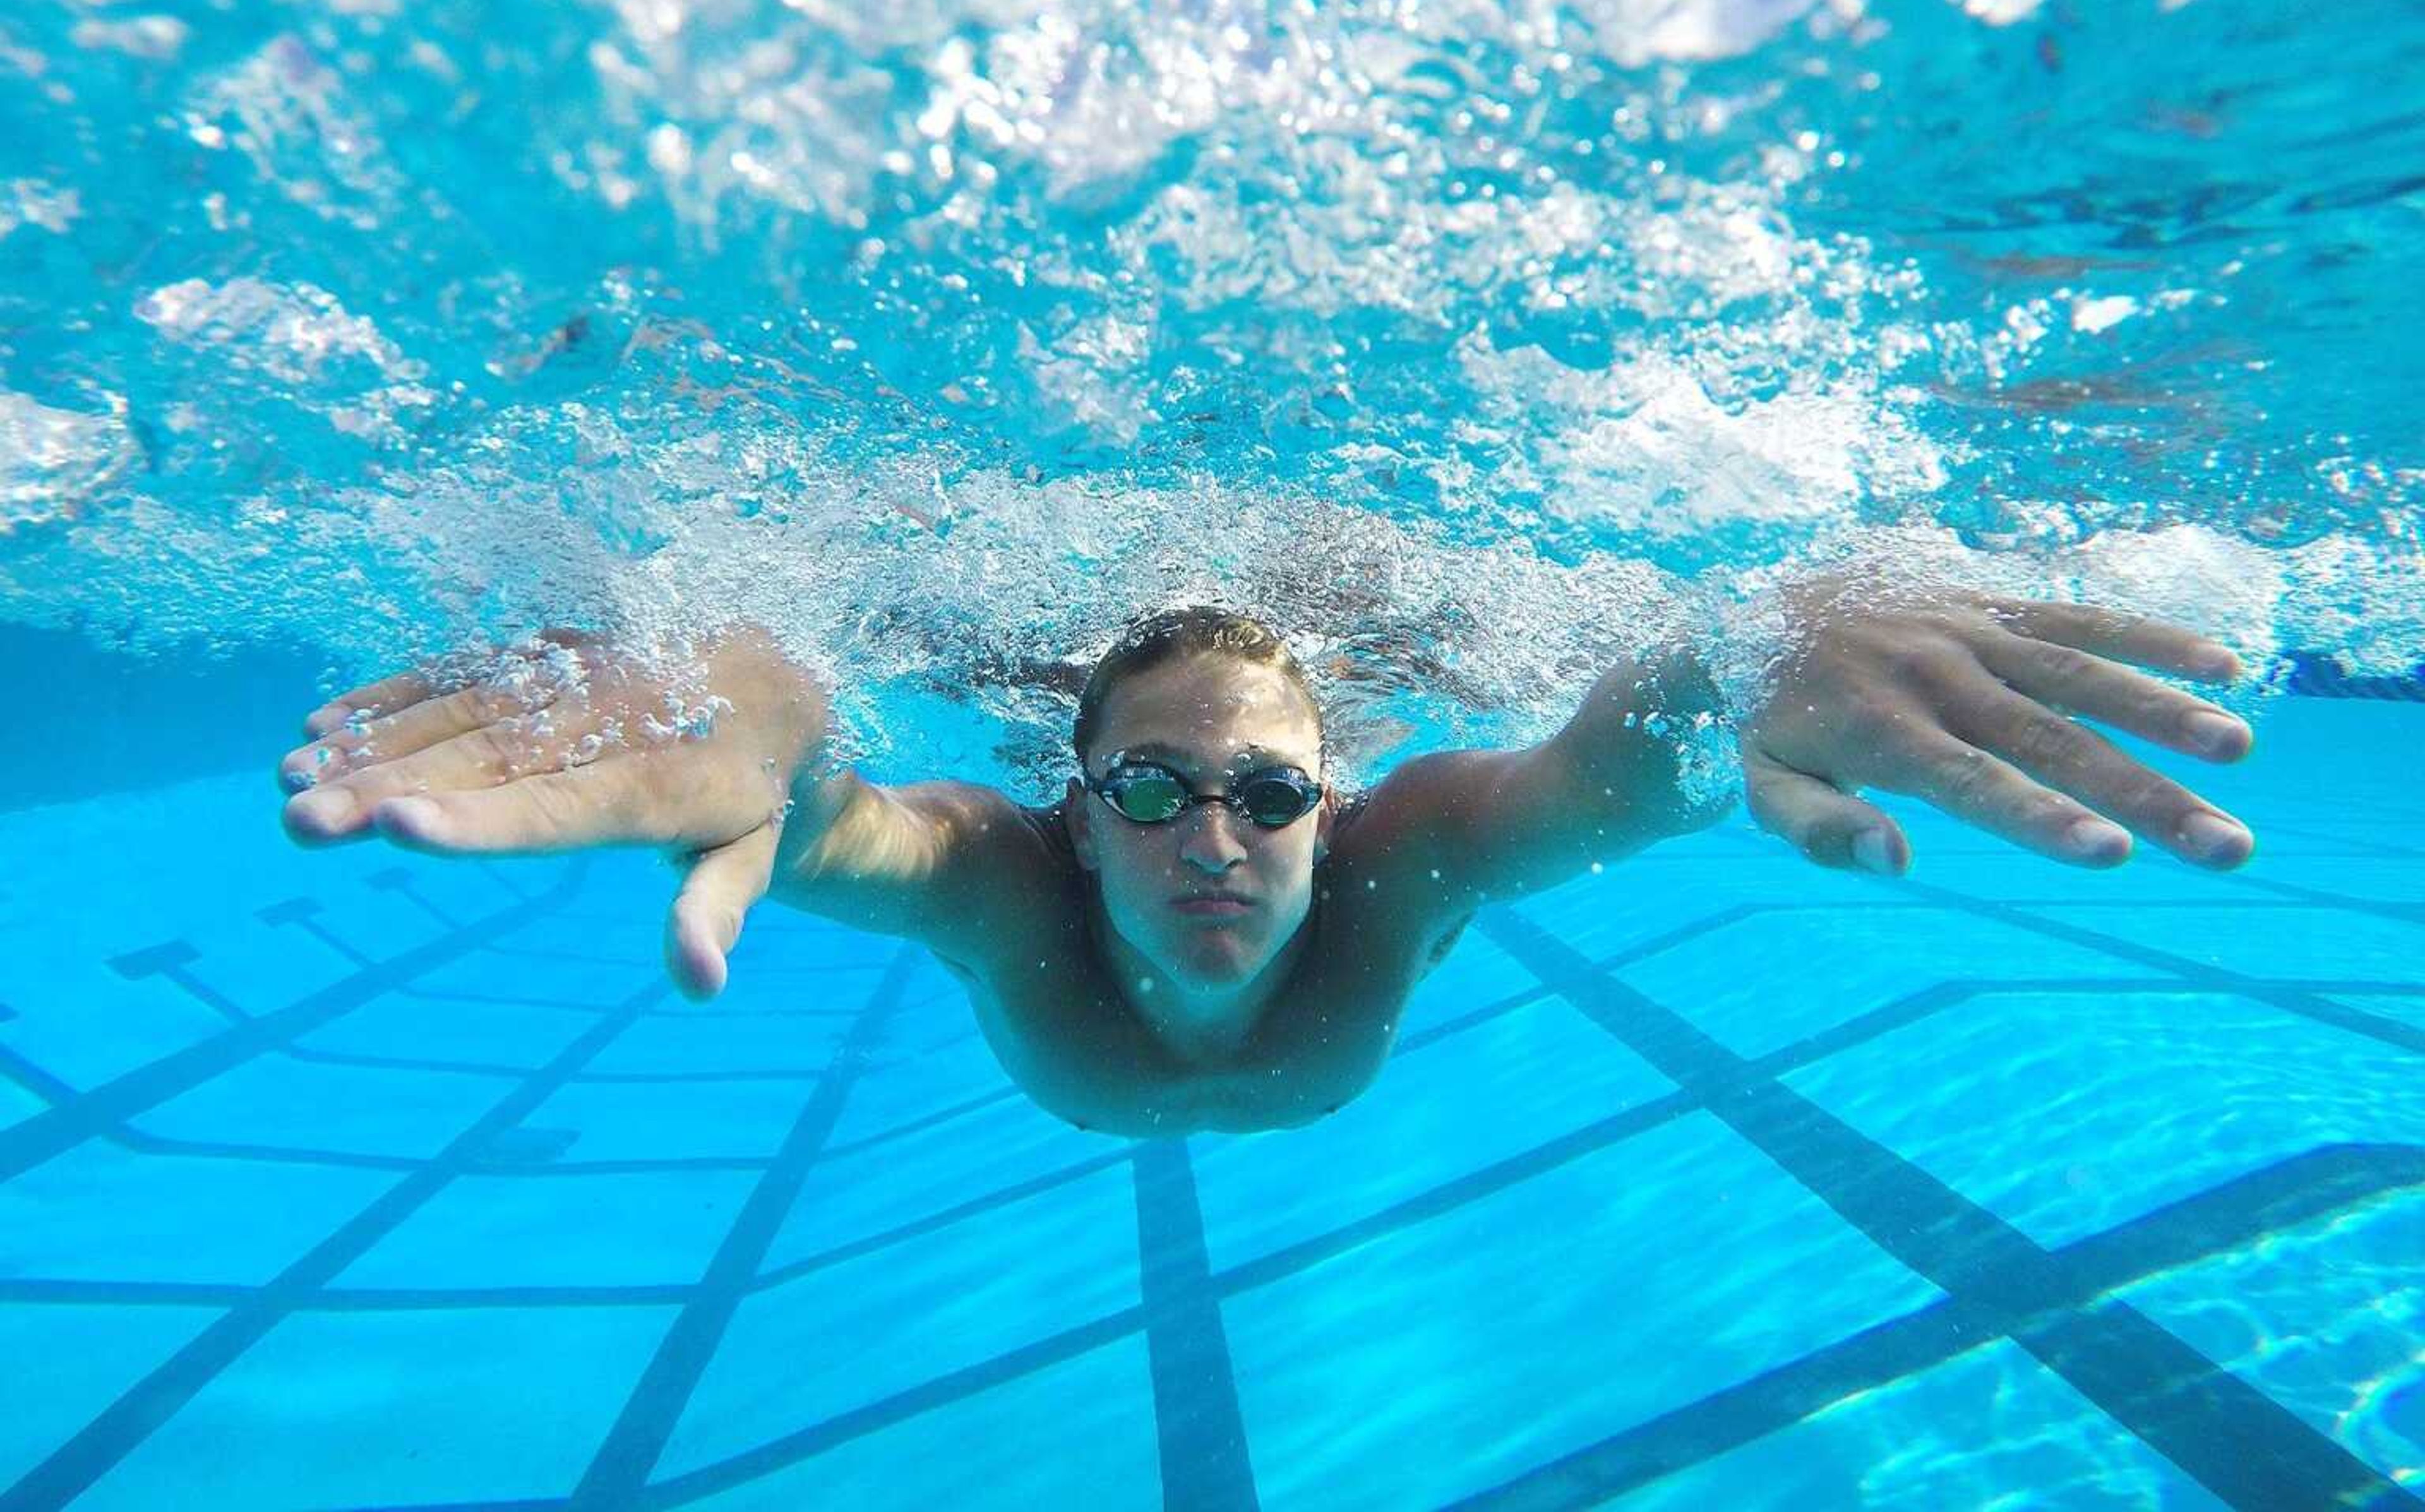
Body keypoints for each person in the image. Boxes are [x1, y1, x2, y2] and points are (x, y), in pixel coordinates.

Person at [277, 583, 2256, 1136]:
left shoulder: (1413, 859)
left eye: (1273, 795)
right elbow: (840, 818)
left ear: (1339, 798)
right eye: (1148, 793)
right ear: (1073, 806)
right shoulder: (1004, 878)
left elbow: (1602, 759)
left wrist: (1758, 646)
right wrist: (750, 714)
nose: (1214, 837)